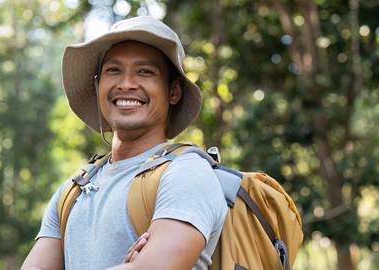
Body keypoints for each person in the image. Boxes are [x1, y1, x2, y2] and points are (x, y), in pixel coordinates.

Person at [21, 16, 228, 270]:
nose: (126, 84)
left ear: (173, 91)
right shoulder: (73, 190)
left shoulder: (187, 173)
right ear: (98, 87)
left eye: (145, 71)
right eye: (113, 70)